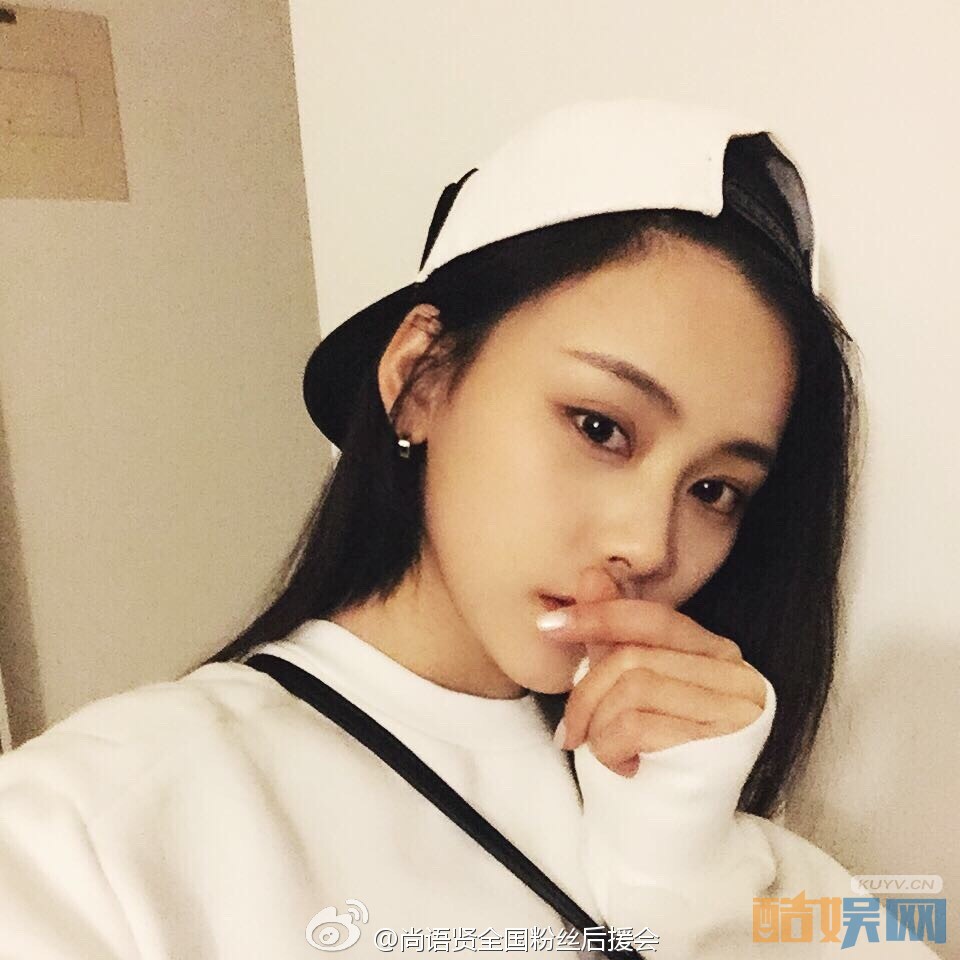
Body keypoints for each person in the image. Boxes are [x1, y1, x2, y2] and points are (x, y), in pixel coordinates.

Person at [0, 99, 941, 959]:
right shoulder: (95, 828)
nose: (650, 545)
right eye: (600, 427)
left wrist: (687, 884)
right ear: (421, 378)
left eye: (714, 489)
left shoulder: (712, 829)